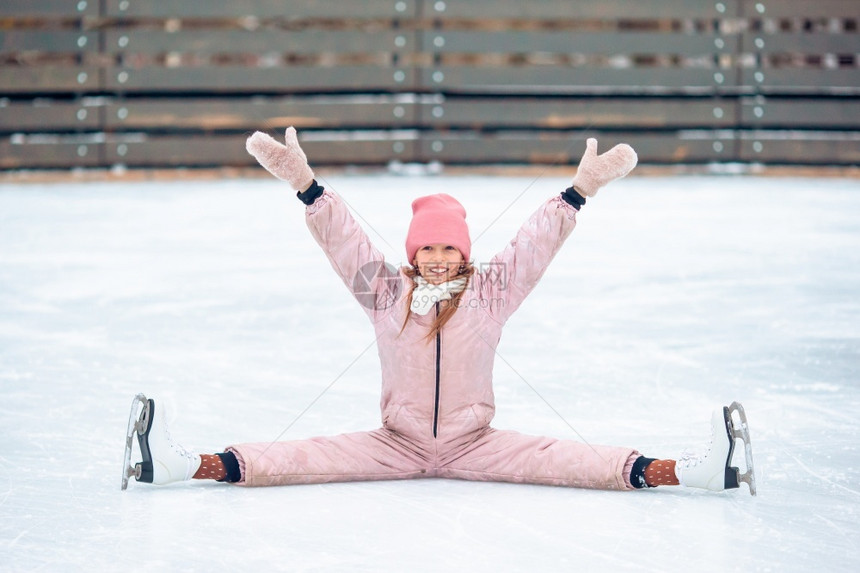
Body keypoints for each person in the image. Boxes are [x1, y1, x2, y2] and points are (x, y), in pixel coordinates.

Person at [124, 128, 755, 495]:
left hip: (475, 444)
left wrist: (578, 192)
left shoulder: (490, 293)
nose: (437, 256)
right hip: (393, 444)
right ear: (413, 252)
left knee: (572, 458)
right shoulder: (386, 294)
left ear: (463, 252)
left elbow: (533, 247)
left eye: (449, 246)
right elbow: (345, 243)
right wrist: (307, 186)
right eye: (427, 246)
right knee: (304, 455)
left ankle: (687, 473)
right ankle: (187, 464)